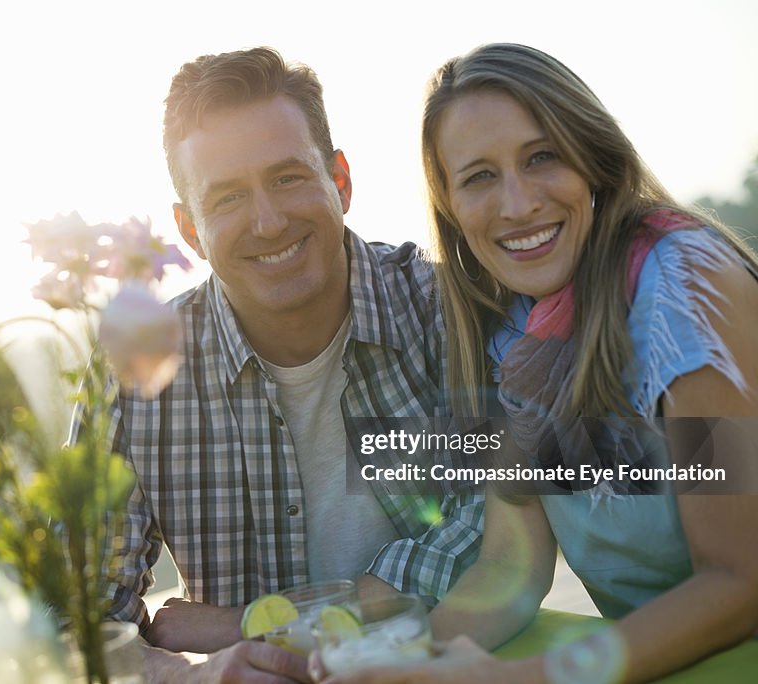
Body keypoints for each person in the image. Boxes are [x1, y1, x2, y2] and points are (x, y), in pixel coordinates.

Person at [310, 42, 758, 684]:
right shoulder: (514, 333)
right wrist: (403, 662)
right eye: (480, 177)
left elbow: (736, 581)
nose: (518, 205)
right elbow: (509, 568)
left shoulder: (684, 287)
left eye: (541, 157)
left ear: (593, 160)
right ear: (453, 210)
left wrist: (520, 679)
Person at [77, 47, 485, 682]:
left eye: (289, 177)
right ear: (190, 230)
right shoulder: (133, 374)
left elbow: (495, 526)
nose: (268, 221)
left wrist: (245, 622)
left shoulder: (442, 310)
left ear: (340, 182)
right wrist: (183, 675)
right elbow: (76, 614)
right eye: (229, 197)